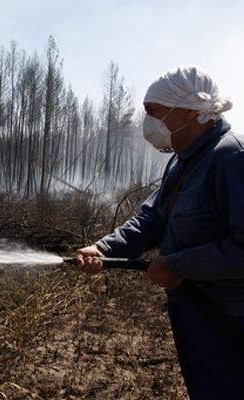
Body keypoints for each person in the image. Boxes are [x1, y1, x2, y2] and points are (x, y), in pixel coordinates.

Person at [75, 65, 243, 400]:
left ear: (190, 111)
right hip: (194, 315)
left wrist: (177, 266)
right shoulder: (182, 162)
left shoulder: (231, 157)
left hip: (230, 323)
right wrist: (103, 249)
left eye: (154, 113)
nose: (148, 124)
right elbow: (151, 219)